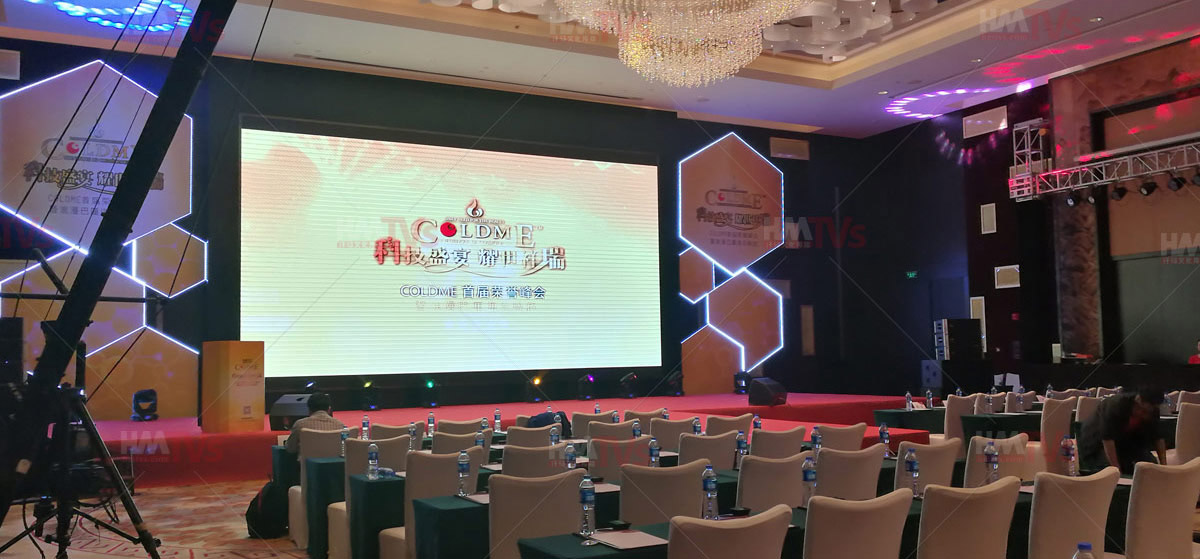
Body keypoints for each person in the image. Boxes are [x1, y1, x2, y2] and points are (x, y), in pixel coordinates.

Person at [1078, 388, 1167, 474]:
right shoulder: (1115, 405)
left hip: (1125, 444)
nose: (1144, 415)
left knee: (1150, 467)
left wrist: (1164, 467)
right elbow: (1107, 439)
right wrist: (1117, 471)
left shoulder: (1152, 409)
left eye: (1148, 412)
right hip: (1097, 445)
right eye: (1143, 411)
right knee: (1110, 471)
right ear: (1138, 400)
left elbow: (1158, 437)